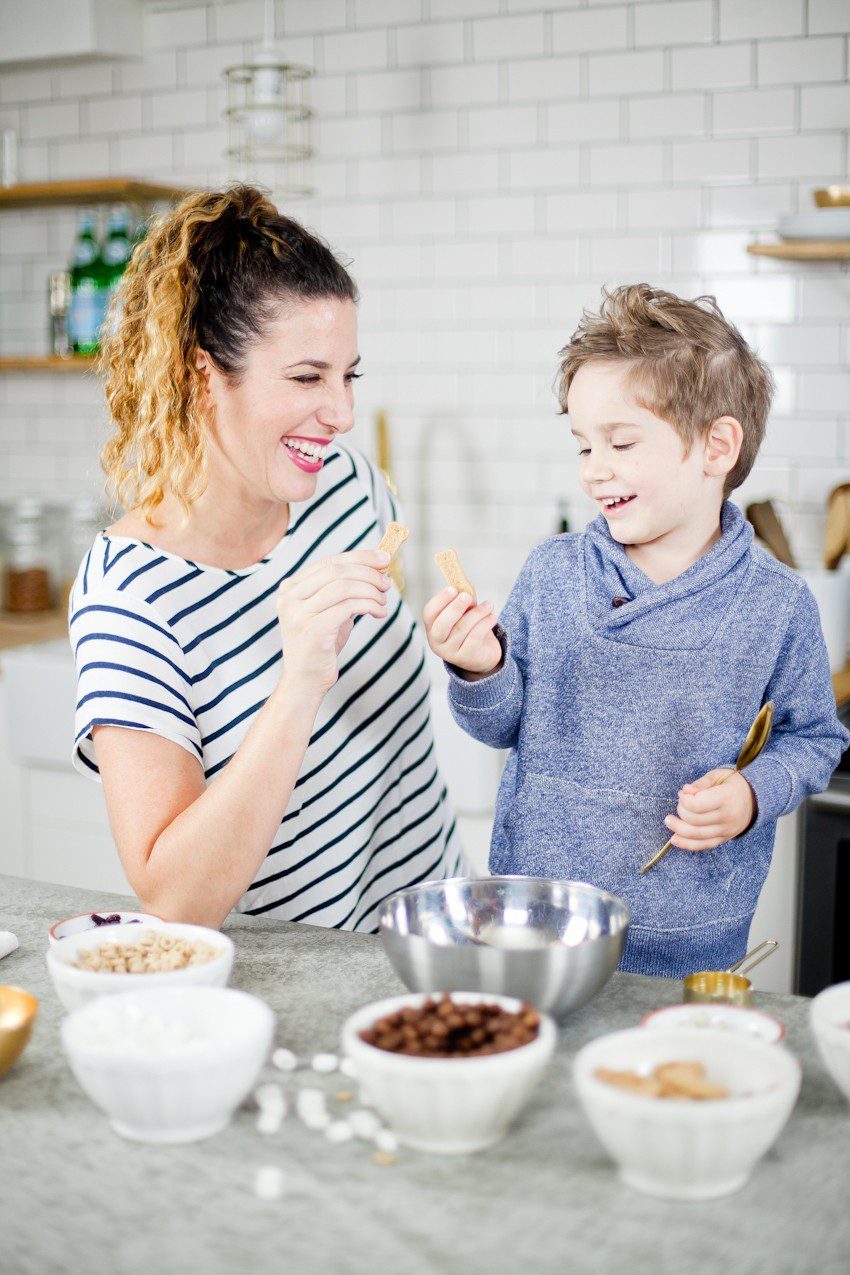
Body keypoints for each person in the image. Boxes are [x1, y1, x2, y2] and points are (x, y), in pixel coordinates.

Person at [424, 283, 848, 978]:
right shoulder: (554, 572)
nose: (595, 469)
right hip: (534, 924)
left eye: (620, 441)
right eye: (583, 446)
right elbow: (500, 725)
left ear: (717, 446)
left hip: (689, 944)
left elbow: (814, 739)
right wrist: (480, 666)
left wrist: (749, 796)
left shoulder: (775, 604)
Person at [69, 185, 461, 932]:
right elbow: (176, 897)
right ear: (202, 377)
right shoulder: (129, 595)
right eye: (308, 378)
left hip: (438, 946)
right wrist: (299, 681)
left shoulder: (350, 488)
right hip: (297, 1000)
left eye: (350, 375)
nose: (342, 414)